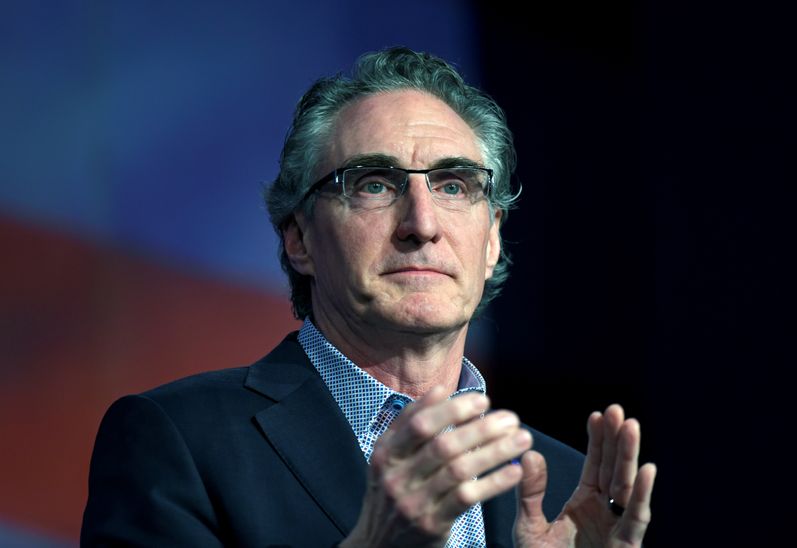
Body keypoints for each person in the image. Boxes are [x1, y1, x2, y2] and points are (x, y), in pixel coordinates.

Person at [81, 46, 656, 547]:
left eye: (453, 185)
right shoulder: (177, 439)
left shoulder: (563, 483)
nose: (422, 224)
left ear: (491, 238)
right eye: (375, 184)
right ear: (300, 238)